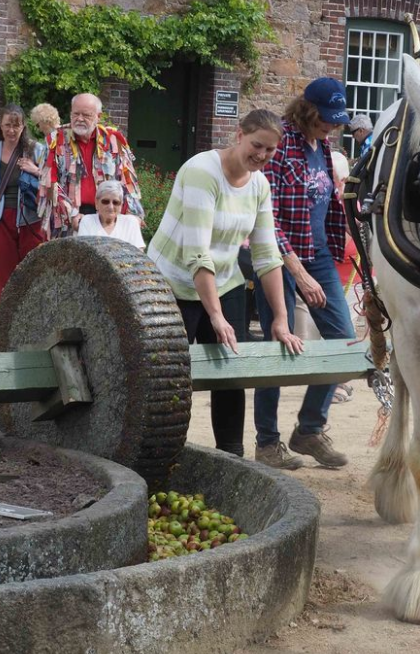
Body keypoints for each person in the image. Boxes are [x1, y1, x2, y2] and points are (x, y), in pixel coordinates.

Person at [148, 109, 303, 460]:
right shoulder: (203, 171)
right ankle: (161, 454)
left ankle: (231, 456)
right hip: (172, 282)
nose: (261, 156)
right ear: (238, 135)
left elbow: (267, 256)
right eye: (256, 146)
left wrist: (280, 318)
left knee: (230, 371)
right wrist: (215, 317)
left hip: (224, 279)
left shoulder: (260, 185)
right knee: (169, 377)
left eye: (270, 151)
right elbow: (197, 252)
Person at [254, 77, 355, 470]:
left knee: (343, 344)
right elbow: (267, 218)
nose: (331, 126)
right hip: (276, 260)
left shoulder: (323, 146)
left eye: (335, 120)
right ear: (307, 111)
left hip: (320, 255)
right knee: (277, 347)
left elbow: (328, 203)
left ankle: (309, 429)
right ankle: (267, 443)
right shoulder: (279, 146)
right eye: (325, 119)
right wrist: (296, 269)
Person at [38, 93, 142, 238]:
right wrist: (71, 214)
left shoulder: (113, 139)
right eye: (76, 114)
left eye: (86, 115)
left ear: (98, 116)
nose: (79, 119)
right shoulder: (56, 140)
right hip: (70, 221)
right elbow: (49, 183)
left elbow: (128, 181)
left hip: (108, 217)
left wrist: (133, 213)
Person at [0, 104, 45, 306]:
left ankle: (31, 315)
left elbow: (54, 181)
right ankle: (5, 320)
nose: (12, 130)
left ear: (24, 126)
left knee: (32, 271)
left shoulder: (37, 150)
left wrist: (35, 170)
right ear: (0, 125)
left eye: (16, 126)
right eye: (7, 125)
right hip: (0, 218)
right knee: (1, 273)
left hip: (30, 219)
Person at [77, 179, 145, 247]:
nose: (110, 207)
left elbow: (139, 255)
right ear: (97, 202)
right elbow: (83, 254)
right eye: (105, 202)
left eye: (115, 202)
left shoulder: (130, 223)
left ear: (121, 205)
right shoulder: (87, 222)